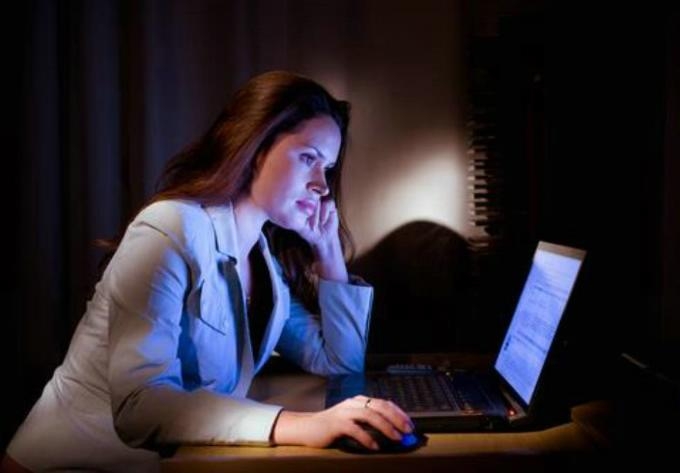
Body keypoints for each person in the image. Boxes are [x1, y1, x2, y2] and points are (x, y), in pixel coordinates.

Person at [2, 70, 412, 473]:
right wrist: (301, 426)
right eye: (308, 158)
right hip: (62, 465)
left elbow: (341, 364)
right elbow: (140, 406)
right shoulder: (170, 228)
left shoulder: (263, 265)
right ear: (256, 148)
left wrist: (327, 251)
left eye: (328, 168)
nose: (322, 185)